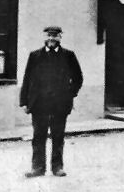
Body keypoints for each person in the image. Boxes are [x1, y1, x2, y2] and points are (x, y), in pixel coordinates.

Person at [20, 26, 83, 177]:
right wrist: (24, 101)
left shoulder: (68, 56)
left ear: (60, 37)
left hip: (59, 104)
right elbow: (27, 78)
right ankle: (37, 168)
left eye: (55, 36)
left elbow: (78, 78)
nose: (51, 38)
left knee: (58, 136)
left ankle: (57, 167)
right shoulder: (35, 55)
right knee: (38, 136)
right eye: (49, 35)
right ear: (45, 37)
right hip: (39, 104)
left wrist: (69, 94)